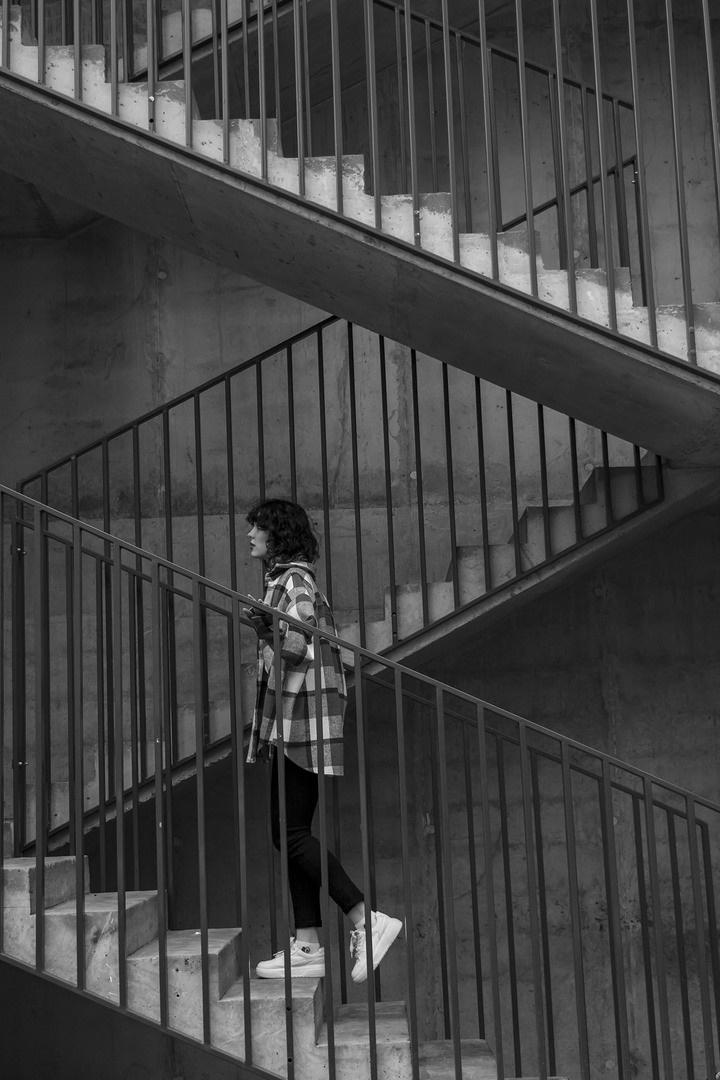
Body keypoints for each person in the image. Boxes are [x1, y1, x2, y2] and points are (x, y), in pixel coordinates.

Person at [244, 498, 402, 983]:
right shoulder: (290, 579)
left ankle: (364, 918)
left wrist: (263, 625)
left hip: (302, 718)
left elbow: (297, 643)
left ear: (276, 534)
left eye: (256, 528)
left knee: (289, 834)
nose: (249, 536)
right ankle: (308, 943)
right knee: (289, 832)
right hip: (299, 718)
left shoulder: (292, 581)